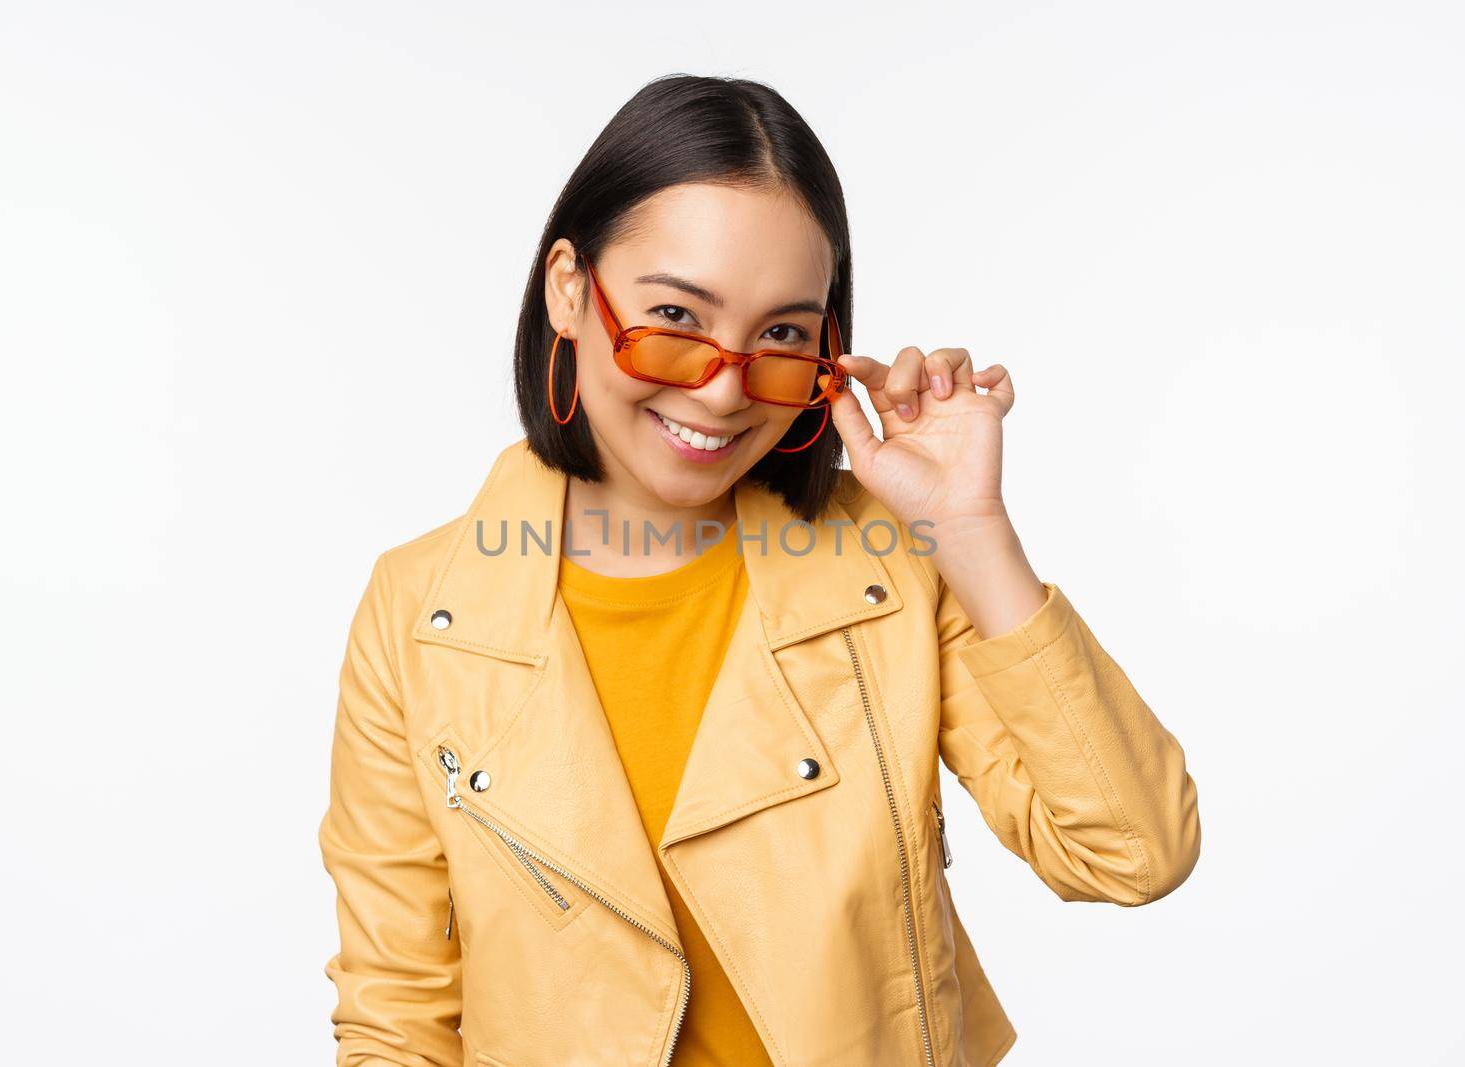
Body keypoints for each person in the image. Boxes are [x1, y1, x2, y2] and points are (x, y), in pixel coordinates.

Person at [318, 73, 1201, 1067]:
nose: (729, 389)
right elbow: (396, 1016)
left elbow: (1131, 851)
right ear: (569, 288)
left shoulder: (888, 567)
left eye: (782, 334)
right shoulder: (421, 607)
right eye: (676, 317)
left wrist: (971, 529)